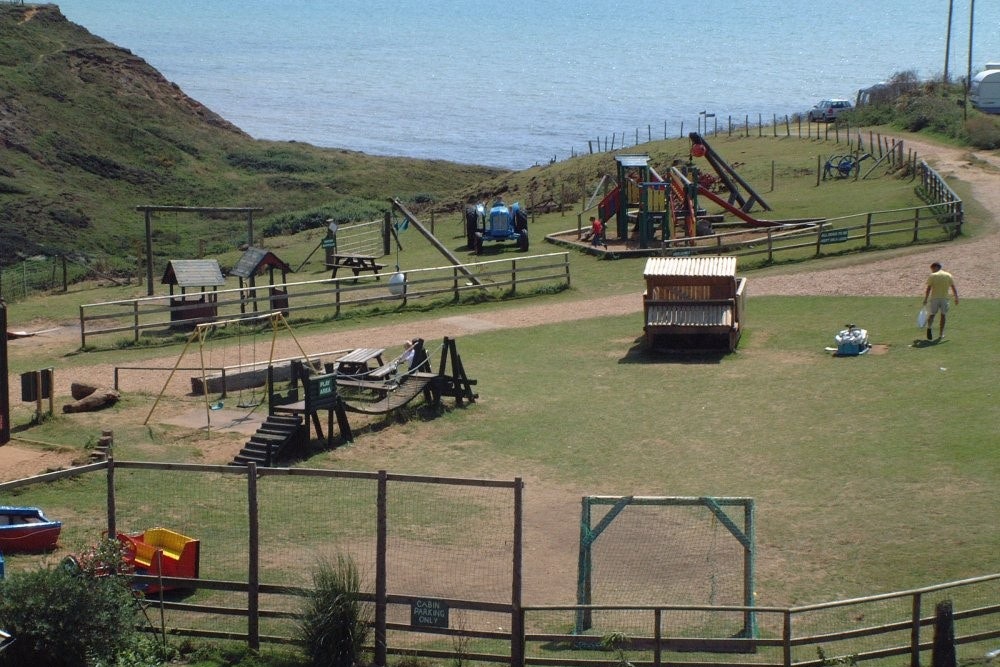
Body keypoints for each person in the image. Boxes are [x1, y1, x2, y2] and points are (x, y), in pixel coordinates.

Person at [922, 261, 958, 340]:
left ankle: (929, 327)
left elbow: (928, 289)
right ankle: (941, 334)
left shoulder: (933, 275)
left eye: (932, 269)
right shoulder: (948, 275)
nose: (932, 271)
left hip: (934, 298)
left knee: (932, 314)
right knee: (943, 315)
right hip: (944, 299)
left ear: (936, 267)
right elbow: (953, 287)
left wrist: (925, 299)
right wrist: (956, 298)